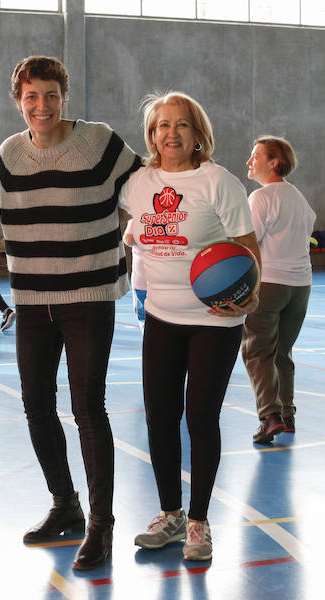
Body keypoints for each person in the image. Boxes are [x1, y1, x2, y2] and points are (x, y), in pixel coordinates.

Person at [0, 56, 141, 570]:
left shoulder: (100, 143)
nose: (40, 106)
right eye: (30, 97)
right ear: (18, 100)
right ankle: (65, 505)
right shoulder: (10, 153)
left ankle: (101, 525)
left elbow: (150, 189)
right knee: (37, 406)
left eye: (49, 95)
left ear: (64, 96)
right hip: (32, 301)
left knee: (89, 408)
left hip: (88, 298)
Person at [119, 92, 260, 562]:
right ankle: (171, 515)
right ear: (151, 134)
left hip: (214, 322)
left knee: (201, 418)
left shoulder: (218, 181)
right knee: (159, 417)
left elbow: (245, 244)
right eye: (162, 125)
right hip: (160, 317)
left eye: (182, 125)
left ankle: (199, 521)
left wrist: (251, 294)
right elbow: (120, 231)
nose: (171, 133)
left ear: (198, 133)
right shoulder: (137, 184)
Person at [240, 136, 314, 446]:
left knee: (257, 351)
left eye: (255, 156)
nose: (249, 161)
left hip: (269, 283)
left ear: (274, 162)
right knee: (282, 352)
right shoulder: (299, 198)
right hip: (300, 286)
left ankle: (269, 417)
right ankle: (287, 415)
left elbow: (245, 241)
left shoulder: (261, 197)